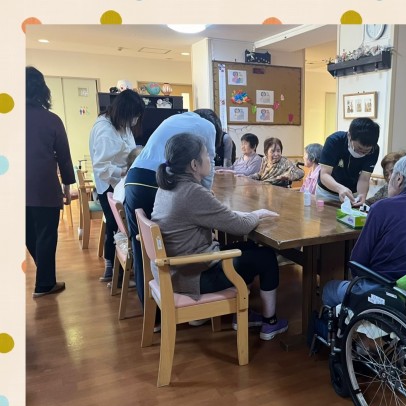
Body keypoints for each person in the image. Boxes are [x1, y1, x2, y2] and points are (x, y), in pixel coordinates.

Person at [151, 132, 288, 340]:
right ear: (194, 165)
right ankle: (270, 323)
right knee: (266, 257)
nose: (211, 158)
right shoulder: (192, 192)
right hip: (191, 276)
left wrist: (245, 215)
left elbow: (220, 215)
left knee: (251, 249)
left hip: (176, 269)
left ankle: (242, 314)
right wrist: (257, 214)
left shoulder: (169, 186)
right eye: (206, 155)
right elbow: (240, 227)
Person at [322, 154, 406, 307]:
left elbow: (357, 260)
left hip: (382, 291)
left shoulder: (382, 208)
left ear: (399, 178)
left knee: (329, 289)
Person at [124, 110, 220, 307]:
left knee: (143, 247)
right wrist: (205, 196)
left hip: (132, 180)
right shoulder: (208, 126)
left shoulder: (177, 118)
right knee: (170, 240)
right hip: (153, 181)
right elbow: (209, 164)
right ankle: (177, 298)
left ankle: (150, 307)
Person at [26, 66, 75, 298]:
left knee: (28, 233)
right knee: (46, 234)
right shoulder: (51, 120)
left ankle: (44, 274)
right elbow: (64, 157)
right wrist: (67, 186)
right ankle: (44, 282)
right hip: (44, 187)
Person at [89, 88, 145, 283]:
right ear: (125, 112)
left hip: (119, 182)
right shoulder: (106, 131)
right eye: (134, 116)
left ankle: (114, 270)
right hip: (111, 184)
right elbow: (101, 166)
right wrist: (122, 172)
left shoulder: (120, 124)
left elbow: (129, 149)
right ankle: (114, 271)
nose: (135, 120)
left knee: (116, 225)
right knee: (117, 226)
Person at [317, 117, 380, 206]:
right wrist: (339, 188)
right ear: (349, 135)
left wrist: (362, 195)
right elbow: (324, 174)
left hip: (351, 195)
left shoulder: (374, 150)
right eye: (359, 148)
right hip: (327, 193)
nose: (362, 153)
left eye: (367, 151)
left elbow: (364, 178)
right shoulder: (334, 141)